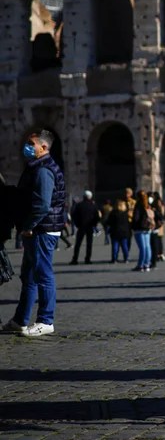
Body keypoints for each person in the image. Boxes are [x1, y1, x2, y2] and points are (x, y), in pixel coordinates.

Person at [3, 130, 68, 337]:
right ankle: (20, 320)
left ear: (44, 147)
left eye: (31, 143)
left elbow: (41, 205)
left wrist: (28, 225)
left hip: (42, 229)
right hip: (39, 228)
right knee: (29, 276)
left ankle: (46, 320)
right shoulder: (37, 167)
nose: (27, 146)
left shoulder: (43, 170)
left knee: (43, 275)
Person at [69, 190, 101, 265]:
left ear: (84, 196)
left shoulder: (79, 205)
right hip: (89, 226)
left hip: (81, 226)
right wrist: (94, 224)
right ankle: (88, 259)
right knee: (89, 244)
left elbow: (74, 215)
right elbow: (97, 217)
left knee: (78, 244)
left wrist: (77, 224)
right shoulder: (93, 206)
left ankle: (75, 259)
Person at [131, 191, 155, 272]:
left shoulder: (138, 205)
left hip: (139, 228)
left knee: (142, 248)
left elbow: (136, 218)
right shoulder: (147, 205)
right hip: (147, 228)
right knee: (147, 247)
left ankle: (140, 265)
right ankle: (147, 264)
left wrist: (132, 224)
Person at [106, 199, 131, 264]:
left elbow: (109, 222)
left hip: (115, 231)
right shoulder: (125, 213)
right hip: (124, 232)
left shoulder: (113, 213)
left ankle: (114, 259)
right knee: (124, 246)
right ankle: (126, 258)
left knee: (115, 246)